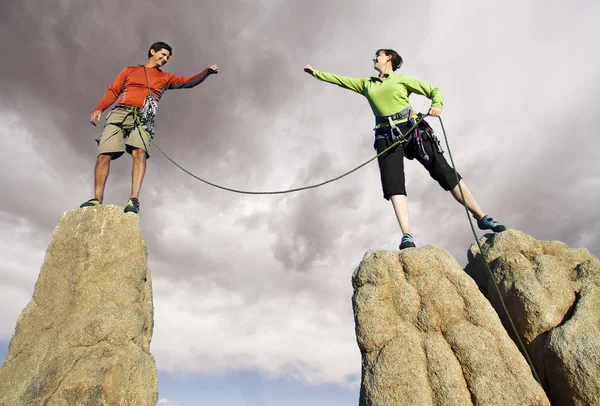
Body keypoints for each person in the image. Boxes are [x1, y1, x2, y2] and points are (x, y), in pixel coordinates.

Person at [304, 49, 506, 250]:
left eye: (378, 55)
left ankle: (481, 216)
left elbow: (434, 90)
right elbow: (340, 80)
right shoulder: (367, 84)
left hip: (412, 129)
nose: (374, 58)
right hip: (385, 135)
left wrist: (437, 104)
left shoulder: (402, 80)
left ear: (389, 57)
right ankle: (407, 235)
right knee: (393, 182)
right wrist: (315, 73)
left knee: (443, 171)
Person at [80, 41, 218, 214]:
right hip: (120, 112)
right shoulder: (130, 70)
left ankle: (133, 199)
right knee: (103, 154)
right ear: (152, 51)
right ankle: (97, 199)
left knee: (140, 153)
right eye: (163, 54)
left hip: (144, 118)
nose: (165, 58)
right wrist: (99, 108)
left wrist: (207, 72)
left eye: (167, 57)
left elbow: (188, 82)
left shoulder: (166, 78)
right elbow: (114, 90)